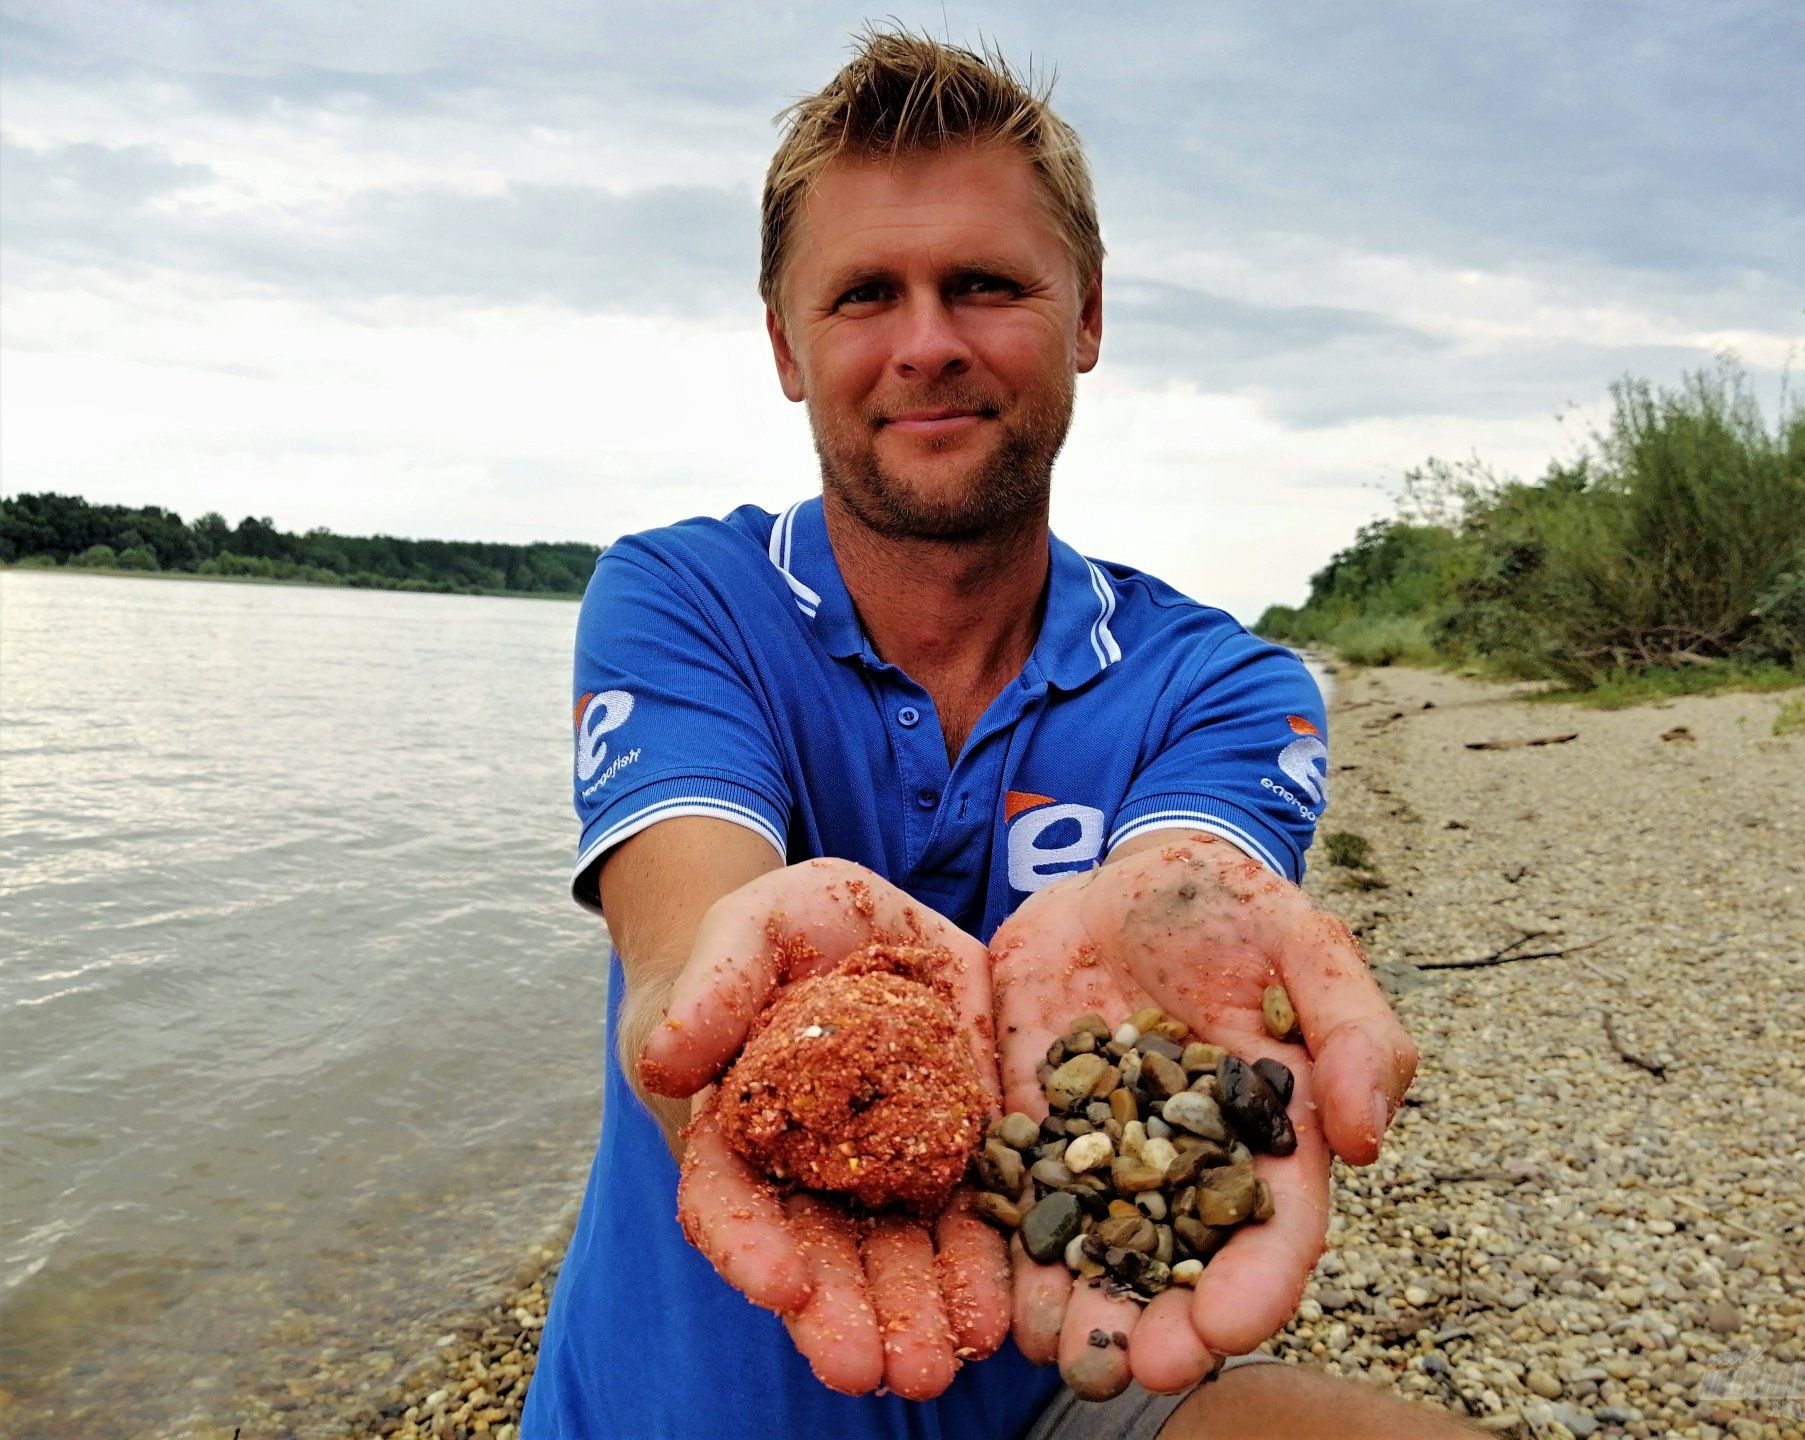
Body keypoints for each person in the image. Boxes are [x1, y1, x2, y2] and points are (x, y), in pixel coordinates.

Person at [522, 28, 1474, 1440]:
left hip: (1062, 1385)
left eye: (985, 284)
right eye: (865, 295)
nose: (927, 343)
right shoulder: (683, 598)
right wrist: (735, 1002)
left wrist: (1167, 941)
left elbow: (1188, 875)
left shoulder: (1222, 681)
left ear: (1084, 317)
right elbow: (684, 939)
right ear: (788, 348)